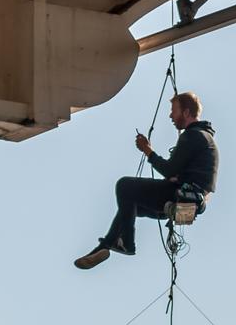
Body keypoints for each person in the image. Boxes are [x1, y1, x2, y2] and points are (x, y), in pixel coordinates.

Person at [74, 92, 219, 270]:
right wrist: (178, 175)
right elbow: (187, 173)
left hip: (178, 196)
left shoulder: (193, 136)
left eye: (174, 111)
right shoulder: (206, 138)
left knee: (124, 186)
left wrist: (147, 150)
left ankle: (125, 242)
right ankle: (107, 245)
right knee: (130, 207)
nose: (171, 116)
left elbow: (168, 170)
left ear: (186, 112)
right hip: (189, 201)